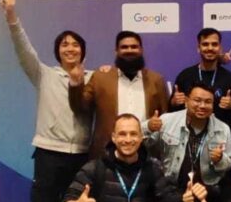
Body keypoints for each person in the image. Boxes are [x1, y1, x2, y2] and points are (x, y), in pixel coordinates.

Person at [1, 0, 94, 202]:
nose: (70, 48)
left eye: (75, 45)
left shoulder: (93, 78)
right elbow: (23, 49)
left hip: (81, 153)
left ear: (82, 50)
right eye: (64, 45)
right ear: (58, 51)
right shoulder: (43, 74)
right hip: (48, 153)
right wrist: (12, 16)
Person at [68, 30, 169, 159]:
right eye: (124, 47)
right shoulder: (101, 77)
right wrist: (76, 84)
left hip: (146, 153)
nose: (129, 50)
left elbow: (166, 115)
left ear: (141, 50)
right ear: (116, 51)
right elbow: (80, 108)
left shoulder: (156, 80)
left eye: (134, 47)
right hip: (106, 153)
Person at [170, 28, 231, 130]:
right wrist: (174, 103)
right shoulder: (185, 76)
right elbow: (171, 112)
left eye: (214, 44)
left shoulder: (230, 79)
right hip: (188, 137)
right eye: (205, 44)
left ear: (220, 48)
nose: (210, 48)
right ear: (198, 48)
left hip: (220, 138)